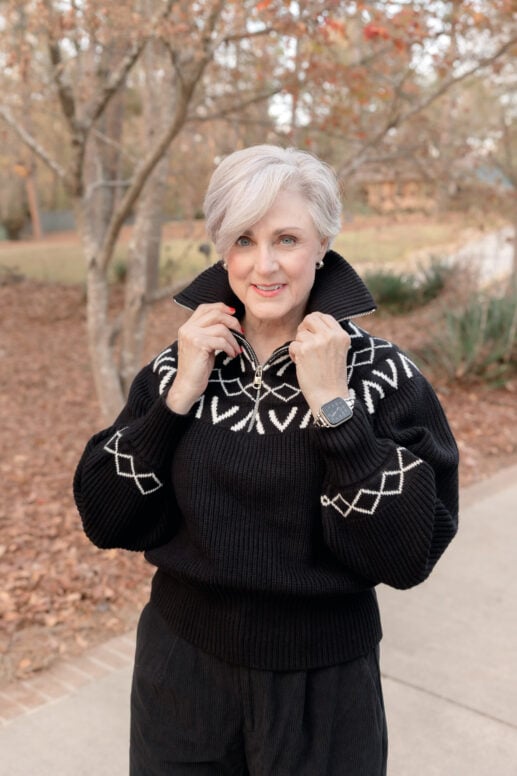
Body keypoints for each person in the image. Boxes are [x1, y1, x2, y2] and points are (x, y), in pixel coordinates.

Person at [73, 144, 459, 775]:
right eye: (244, 240)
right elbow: (105, 516)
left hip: (324, 689)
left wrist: (335, 407)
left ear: (323, 245)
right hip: (181, 675)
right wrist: (175, 401)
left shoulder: (384, 376)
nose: (265, 264)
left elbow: (409, 553)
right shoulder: (179, 364)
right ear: (223, 250)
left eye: (287, 238)